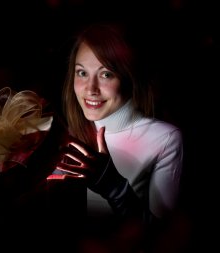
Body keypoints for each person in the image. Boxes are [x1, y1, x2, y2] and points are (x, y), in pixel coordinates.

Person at [54, 23, 185, 252]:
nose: (90, 89)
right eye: (82, 72)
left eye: (106, 74)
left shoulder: (164, 138)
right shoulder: (64, 134)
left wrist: (114, 187)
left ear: (128, 76)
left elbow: (161, 237)